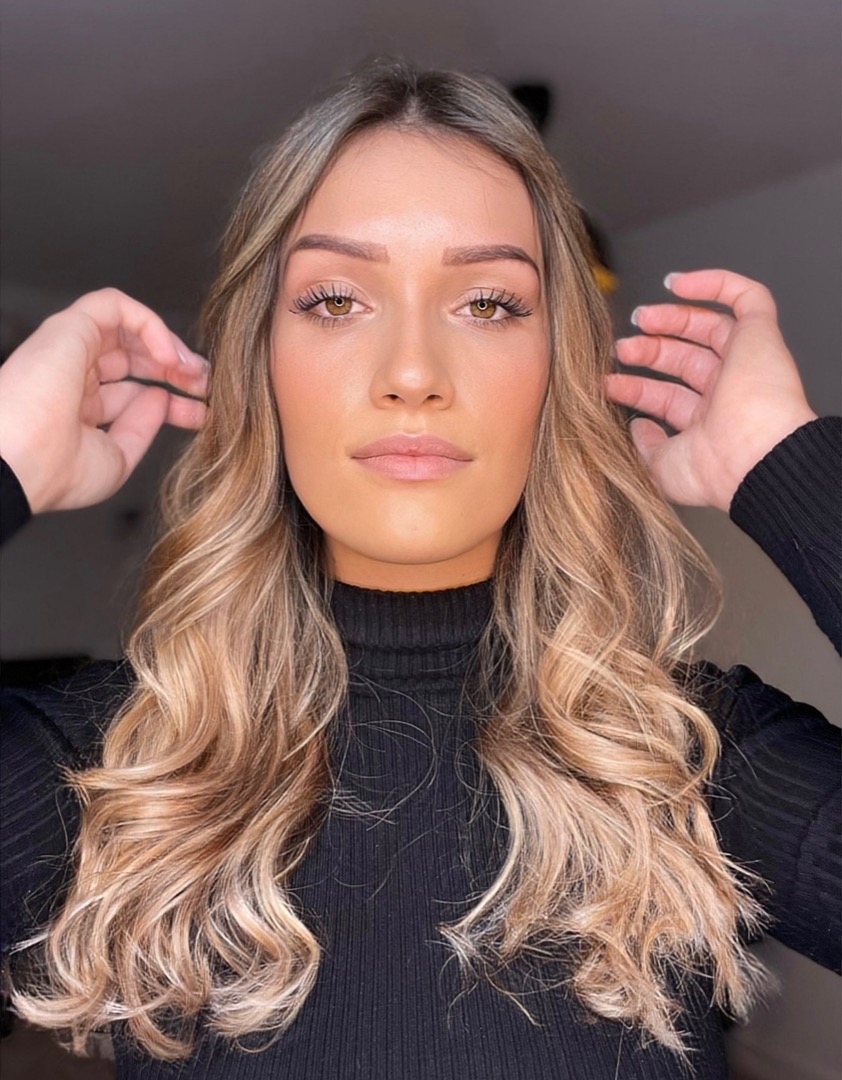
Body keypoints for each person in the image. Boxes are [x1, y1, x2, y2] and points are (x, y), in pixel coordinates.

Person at [0, 58, 838, 1080]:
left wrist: (786, 467)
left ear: (560, 371)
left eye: (487, 303)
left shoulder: (688, 764)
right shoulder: (111, 776)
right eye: (334, 300)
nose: (410, 373)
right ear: (259, 366)